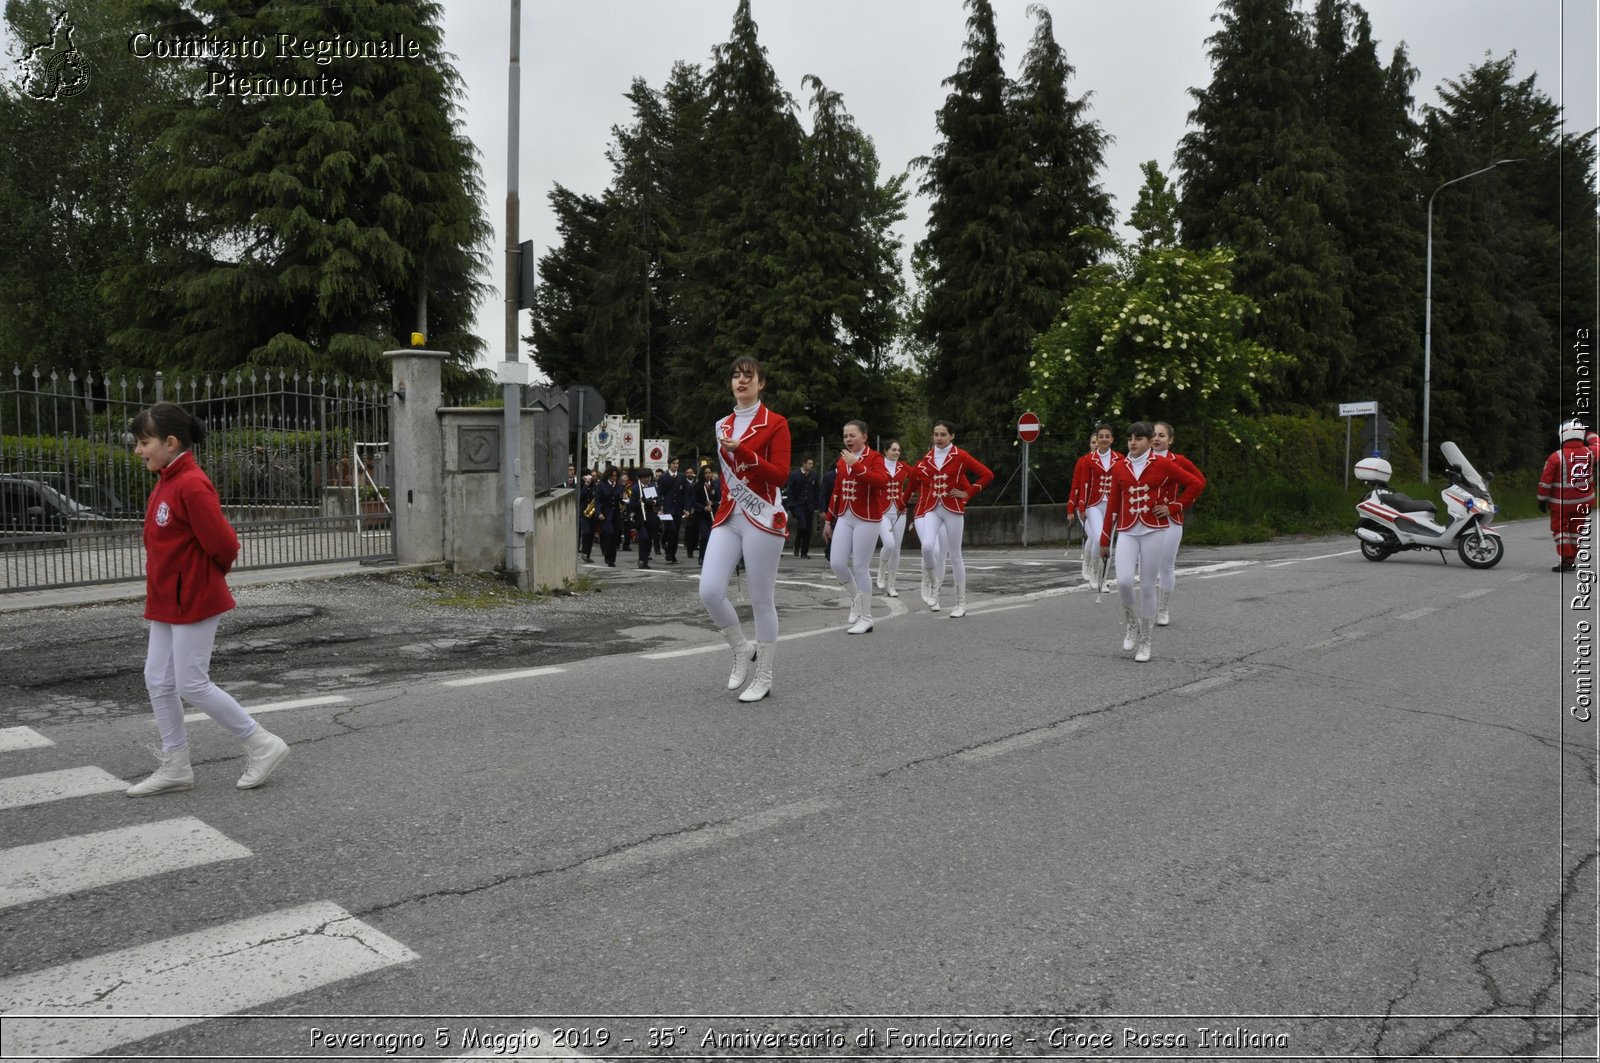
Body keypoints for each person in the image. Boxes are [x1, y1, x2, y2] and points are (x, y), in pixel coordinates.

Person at [123, 402, 290, 797]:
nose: (138, 450)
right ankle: (177, 765)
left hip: (193, 598)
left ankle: (263, 745)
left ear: (170, 442)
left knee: (191, 683)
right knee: (158, 679)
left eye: (143, 442)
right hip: (166, 600)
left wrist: (198, 581)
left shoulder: (190, 483)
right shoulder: (167, 479)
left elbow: (224, 545)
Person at [699, 357, 791, 702]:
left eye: (748, 376)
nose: (741, 381)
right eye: (736, 375)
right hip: (729, 515)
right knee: (709, 590)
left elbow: (780, 475)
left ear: (761, 384)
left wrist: (748, 453)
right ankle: (741, 648)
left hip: (763, 517)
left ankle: (764, 676)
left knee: (761, 600)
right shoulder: (722, 424)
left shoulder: (776, 423)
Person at [1100, 421, 1204, 662]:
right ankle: (1131, 625)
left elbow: (1196, 483)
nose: (1133, 443)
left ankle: (1146, 640)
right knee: (1124, 582)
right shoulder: (1119, 467)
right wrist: (1105, 539)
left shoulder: (1163, 464)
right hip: (1127, 531)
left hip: (1154, 530)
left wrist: (1174, 507)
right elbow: (1113, 506)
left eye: (1139, 439)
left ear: (1147, 442)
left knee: (1147, 585)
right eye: (1130, 439)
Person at [910, 420, 994, 617]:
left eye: (943, 435)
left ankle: (961, 603)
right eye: (936, 434)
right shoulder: (928, 457)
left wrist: (968, 493)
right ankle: (933, 584)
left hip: (953, 509)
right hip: (932, 508)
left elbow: (987, 474)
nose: (938, 438)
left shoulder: (960, 455)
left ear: (952, 436)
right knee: (927, 547)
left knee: (955, 556)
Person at [824, 420, 889, 634]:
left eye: (852, 435)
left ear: (864, 436)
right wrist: (828, 519)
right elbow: (837, 490)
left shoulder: (875, 458)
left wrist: (857, 465)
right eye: (845, 436)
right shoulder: (842, 460)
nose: (848, 439)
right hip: (845, 516)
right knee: (837, 564)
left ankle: (866, 617)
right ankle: (857, 603)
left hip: (867, 518)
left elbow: (881, 482)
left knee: (860, 567)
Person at [1149, 421, 1206, 626]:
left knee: (1166, 566)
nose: (1156, 438)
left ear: (1170, 440)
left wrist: (1176, 506)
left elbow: (1199, 482)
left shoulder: (1178, 461)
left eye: (1161, 435)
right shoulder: (1139, 459)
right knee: (1145, 566)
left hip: (1170, 520)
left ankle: (1162, 609)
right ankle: (1147, 607)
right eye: (1153, 434)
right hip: (1143, 521)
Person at [1067, 423, 1123, 587]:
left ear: (1112, 439)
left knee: (1108, 544)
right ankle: (1092, 569)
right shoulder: (1086, 460)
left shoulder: (1120, 458)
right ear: (1096, 440)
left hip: (1112, 505)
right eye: (1101, 437)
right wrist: (1078, 507)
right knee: (1099, 538)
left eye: (1107, 436)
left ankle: (1102, 580)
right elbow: (1081, 484)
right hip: (1093, 504)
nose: (1104, 439)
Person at [1538, 420, 1594, 572]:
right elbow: (1597, 445)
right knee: (1576, 531)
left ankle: (1566, 558)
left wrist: (1541, 500)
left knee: (1560, 530)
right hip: (1583, 502)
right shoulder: (1590, 453)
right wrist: (1591, 435)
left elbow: (1545, 482)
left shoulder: (1556, 457)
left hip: (1560, 503)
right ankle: (1571, 558)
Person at [876, 440, 911, 598]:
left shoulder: (903, 466)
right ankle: (881, 570)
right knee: (888, 544)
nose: (897, 452)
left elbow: (917, 479)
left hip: (899, 511)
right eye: (893, 449)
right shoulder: (878, 464)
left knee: (896, 550)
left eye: (898, 450)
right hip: (881, 511)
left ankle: (891, 586)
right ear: (885, 450)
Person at [785, 457, 819, 559]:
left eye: (812, 463)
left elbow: (816, 490)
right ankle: (797, 547)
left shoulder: (813, 475)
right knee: (802, 526)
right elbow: (790, 490)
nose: (811, 465)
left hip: (809, 506)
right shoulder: (794, 474)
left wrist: (816, 504)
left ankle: (804, 552)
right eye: (809, 463)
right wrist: (792, 505)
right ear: (804, 464)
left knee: (808, 529)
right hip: (799, 506)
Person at [630, 467, 662, 569]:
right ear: (640, 478)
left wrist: (651, 502)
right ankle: (642, 560)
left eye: (649, 477)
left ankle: (645, 559)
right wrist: (639, 503)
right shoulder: (635, 488)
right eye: (645, 478)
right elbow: (631, 505)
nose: (647, 479)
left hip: (651, 516)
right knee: (643, 537)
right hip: (640, 517)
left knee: (649, 539)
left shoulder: (652, 487)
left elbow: (658, 501)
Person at [593, 466, 622, 567]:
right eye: (612, 475)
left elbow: (620, 499)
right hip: (605, 513)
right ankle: (606, 553)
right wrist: (599, 513)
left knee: (614, 536)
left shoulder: (619, 485)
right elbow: (597, 501)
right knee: (609, 533)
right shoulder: (601, 485)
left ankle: (611, 560)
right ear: (608, 475)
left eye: (616, 475)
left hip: (616, 514)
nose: (614, 477)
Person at [656, 457, 684, 564]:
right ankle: (669, 552)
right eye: (673, 463)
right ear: (669, 465)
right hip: (667, 508)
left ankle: (672, 553)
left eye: (677, 463)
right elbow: (660, 493)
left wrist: (686, 508)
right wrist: (659, 508)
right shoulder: (663, 477)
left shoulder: (681, 476)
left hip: (678, 508)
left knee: (675, 532)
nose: (675, 465)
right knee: (671, 529)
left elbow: (684, 493)